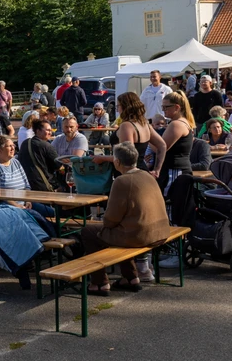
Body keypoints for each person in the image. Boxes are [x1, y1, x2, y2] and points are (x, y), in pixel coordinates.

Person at [80, 142, 170, 295]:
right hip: (160, 231)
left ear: (117, 162)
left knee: (88, 232)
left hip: (141, 235)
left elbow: (110, 220)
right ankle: (130, 277)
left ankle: (99, 282)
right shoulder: (147, 175)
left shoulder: (121, 181)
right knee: (122, 229)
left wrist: (106, 221)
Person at [105, 92, 167, 174]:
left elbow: (127, 156)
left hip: (129, 174)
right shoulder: (145, 124)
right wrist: (157, 170)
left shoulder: (127, 126)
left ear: (125, 107)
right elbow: (162, 145)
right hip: (143, 171)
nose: (117, 110)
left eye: (118, 106)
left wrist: (102, 158)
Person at [0, 135, 30, 217]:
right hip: (3, 207)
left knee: (49, 212)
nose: (13, 148)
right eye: (9, 146)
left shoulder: (16, 162)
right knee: (37, 218)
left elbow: (27, 186)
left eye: (13, 145)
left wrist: (28, 201)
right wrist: (17, 206)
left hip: (23, 204)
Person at [157, 92, 195, 193]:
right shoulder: (183, 122)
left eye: (166, 107)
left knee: (168, 200)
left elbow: (160, 148)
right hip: (179, 169)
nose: (163, 110)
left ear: (177, 107)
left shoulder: (176, 124)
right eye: (162, 107)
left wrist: (148, 136)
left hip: (174, 170)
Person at [18, 117, 61, 192]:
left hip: (26, 184)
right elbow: (59, 166)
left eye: (51, 130)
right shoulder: (46, 146)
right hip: (44, 186)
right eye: (48, 130)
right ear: (38, 131)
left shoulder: (25, 143)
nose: (50, 133)